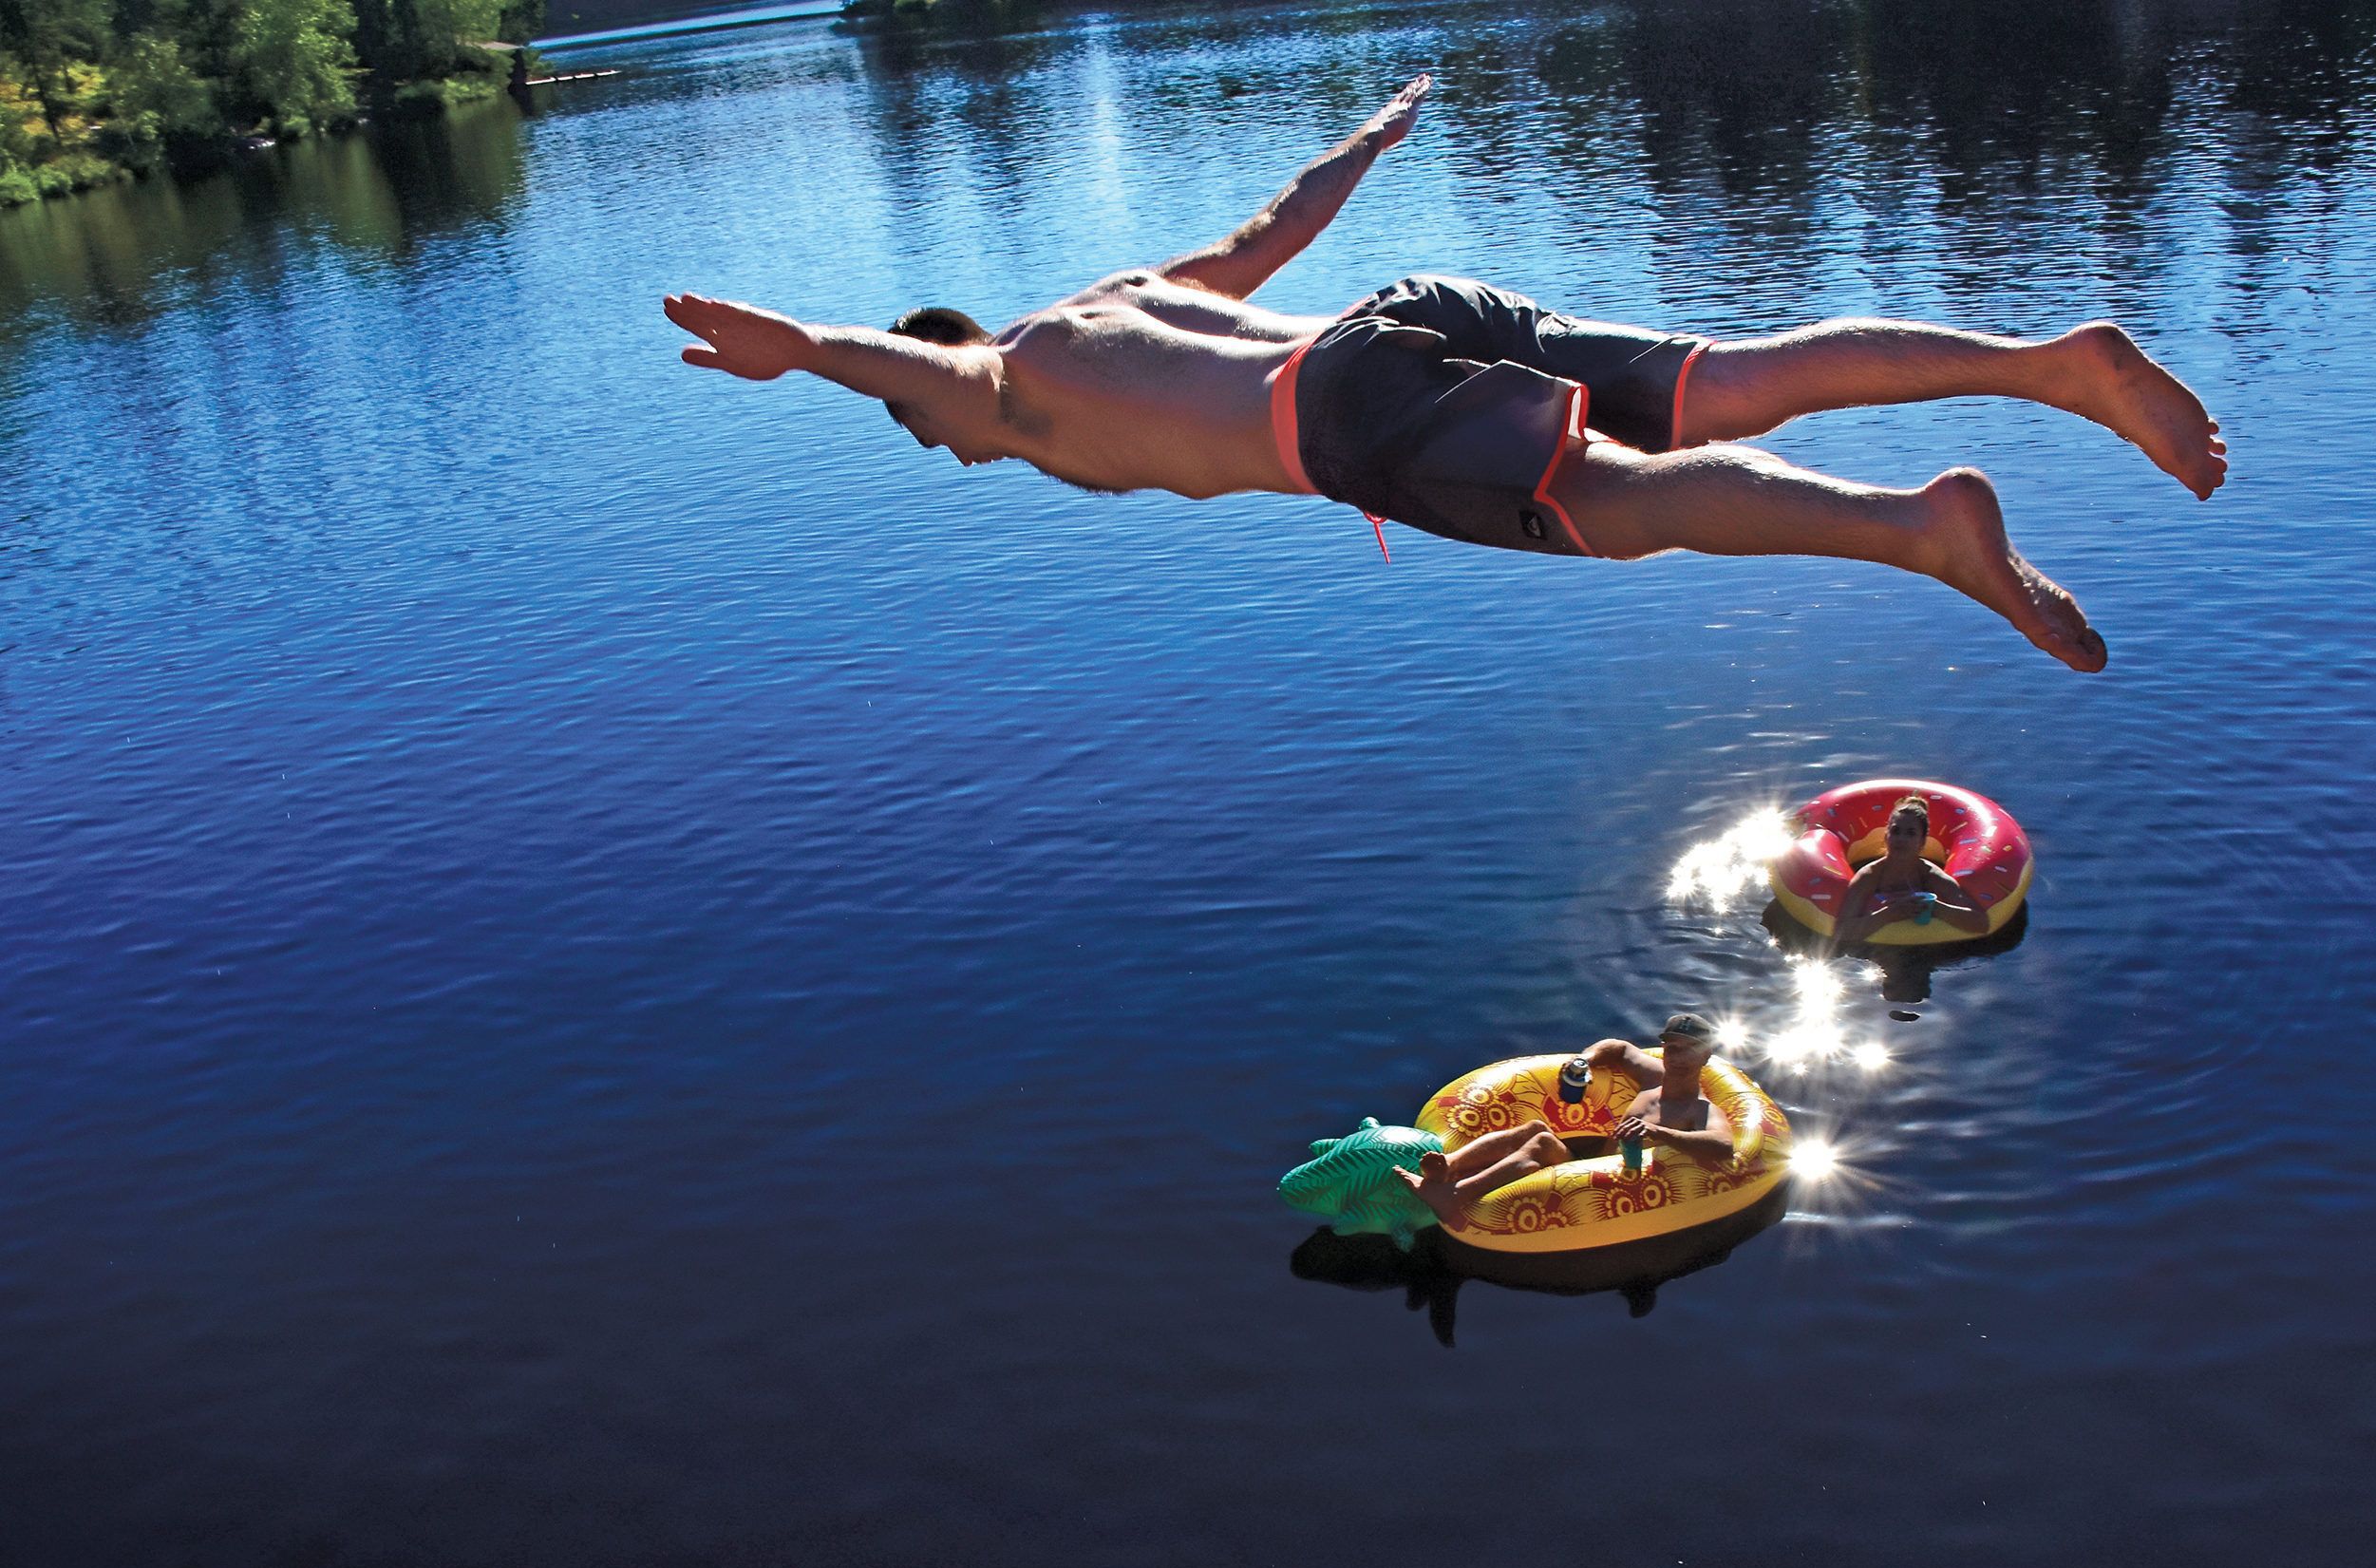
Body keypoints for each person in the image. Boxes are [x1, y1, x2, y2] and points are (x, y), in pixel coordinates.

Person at [664, 74, 2226, 672]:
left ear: (935, 386)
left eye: (927, 431)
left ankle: (1916, 529)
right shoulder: (1116, 300)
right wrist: (1368, 136)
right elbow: (1274, 229)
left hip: (1348, 417)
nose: (951, 449)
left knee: (1629, 511)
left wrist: (798, 349)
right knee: (1734, 377)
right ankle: (2046, 365)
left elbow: (917, 372)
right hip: (1398, 311)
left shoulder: (1006, 385)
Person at [1393, 1013, 1738, 1231]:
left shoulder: (1699, 1109)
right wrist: (1583, 1061)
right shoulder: (1653, 1077)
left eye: (1689, 1049)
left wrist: (1658, 1132)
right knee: (1535, 1129)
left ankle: (1455, 1195)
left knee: (1542, 1143)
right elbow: (1619, 1048)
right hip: (1589, 1165)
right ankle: (1449, 1165)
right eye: (1672, 1048)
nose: (1678, 1057)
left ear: (1706, 1055)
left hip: (1614, 1186)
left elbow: (1723, 1146)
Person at [1828, 793, 1991, 948]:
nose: (1901, 839)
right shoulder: (1869, 876)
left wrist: (1935, 908)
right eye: (1895, 831)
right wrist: (1888, 915)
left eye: (1911, 833)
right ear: (1886, 836)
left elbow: (1981, 923)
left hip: (1928, 950)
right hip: (1872, 953)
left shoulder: (1930, 876)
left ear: (1922, 842)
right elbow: (1841, 931)